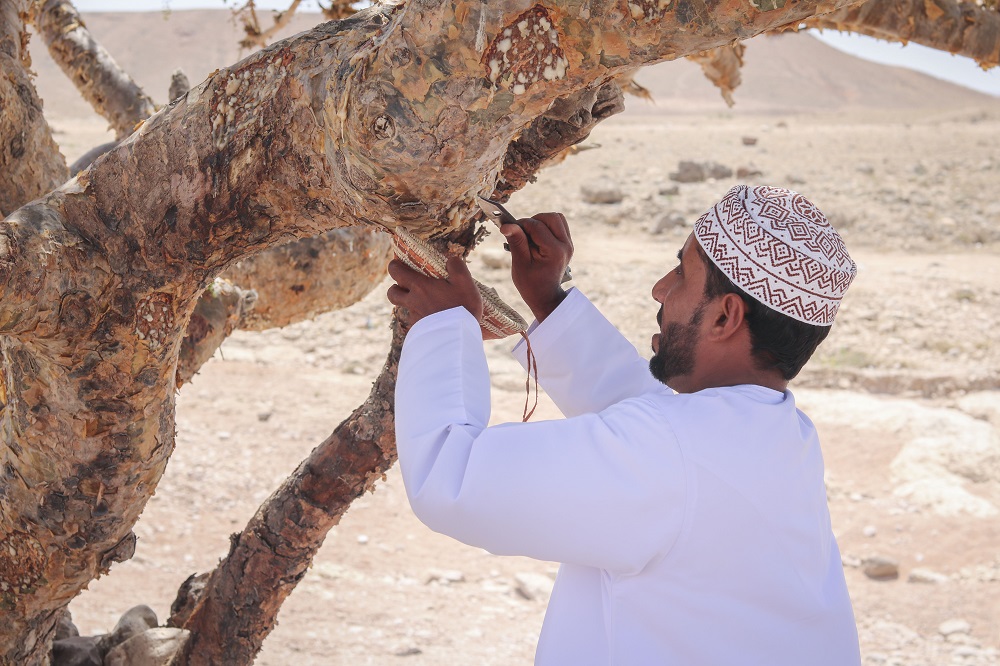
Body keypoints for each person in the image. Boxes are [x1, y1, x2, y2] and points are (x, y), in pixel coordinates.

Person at [386, 185, 861, 665]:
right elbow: (662, 433)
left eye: (682, 273)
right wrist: (548, 300)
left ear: (725, 317)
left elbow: (448, 478)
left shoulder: (666, 452)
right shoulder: (784, 434)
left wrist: (445, 326)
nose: (660, 288)